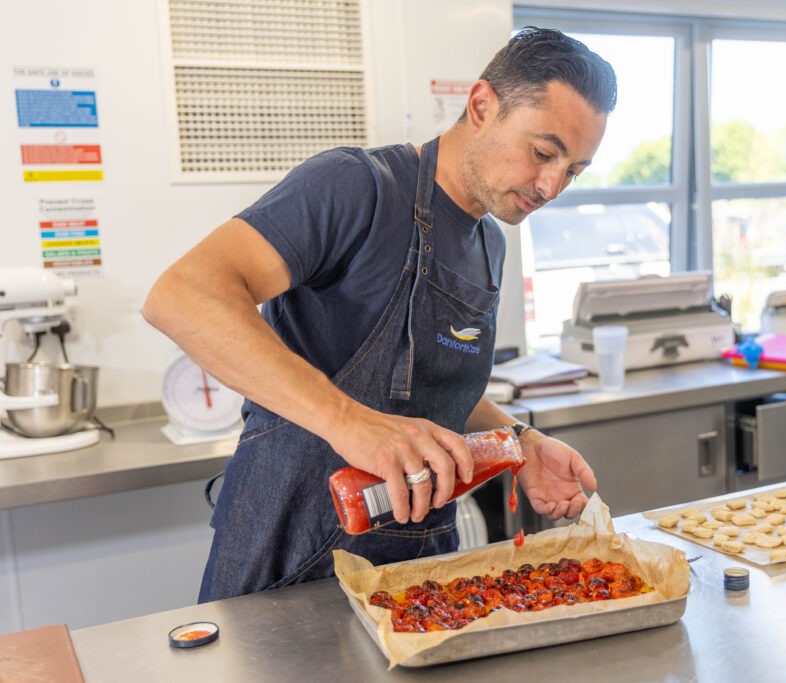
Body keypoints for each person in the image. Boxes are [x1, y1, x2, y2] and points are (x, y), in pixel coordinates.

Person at [143, 26, 618, 603]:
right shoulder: (356, 186)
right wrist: (350, 423)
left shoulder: (489, 242)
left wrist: (520, 442)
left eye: (574, 171)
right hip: (286, 560)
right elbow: (181, 295)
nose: (550, 186)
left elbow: (433, 393)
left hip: (413, 566)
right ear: (482, 105)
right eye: (543, 153)